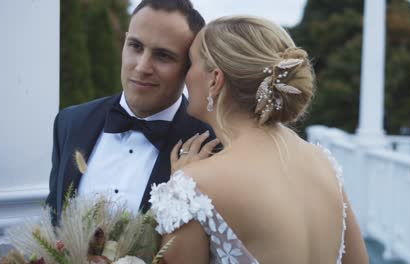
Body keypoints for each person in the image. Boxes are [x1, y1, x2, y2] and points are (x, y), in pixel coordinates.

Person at [149, 16, 369, 263]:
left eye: (190, 63)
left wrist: (183, 183)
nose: (184, 76)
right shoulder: (324, 164)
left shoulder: (192, 188)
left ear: (215, 80)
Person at [45, 0, 219, 221]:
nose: (142, 67)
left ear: (188, 67)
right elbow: (53, 221)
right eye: (136, 46)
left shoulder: (210, 143)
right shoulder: (69, 122)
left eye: (163, 55)